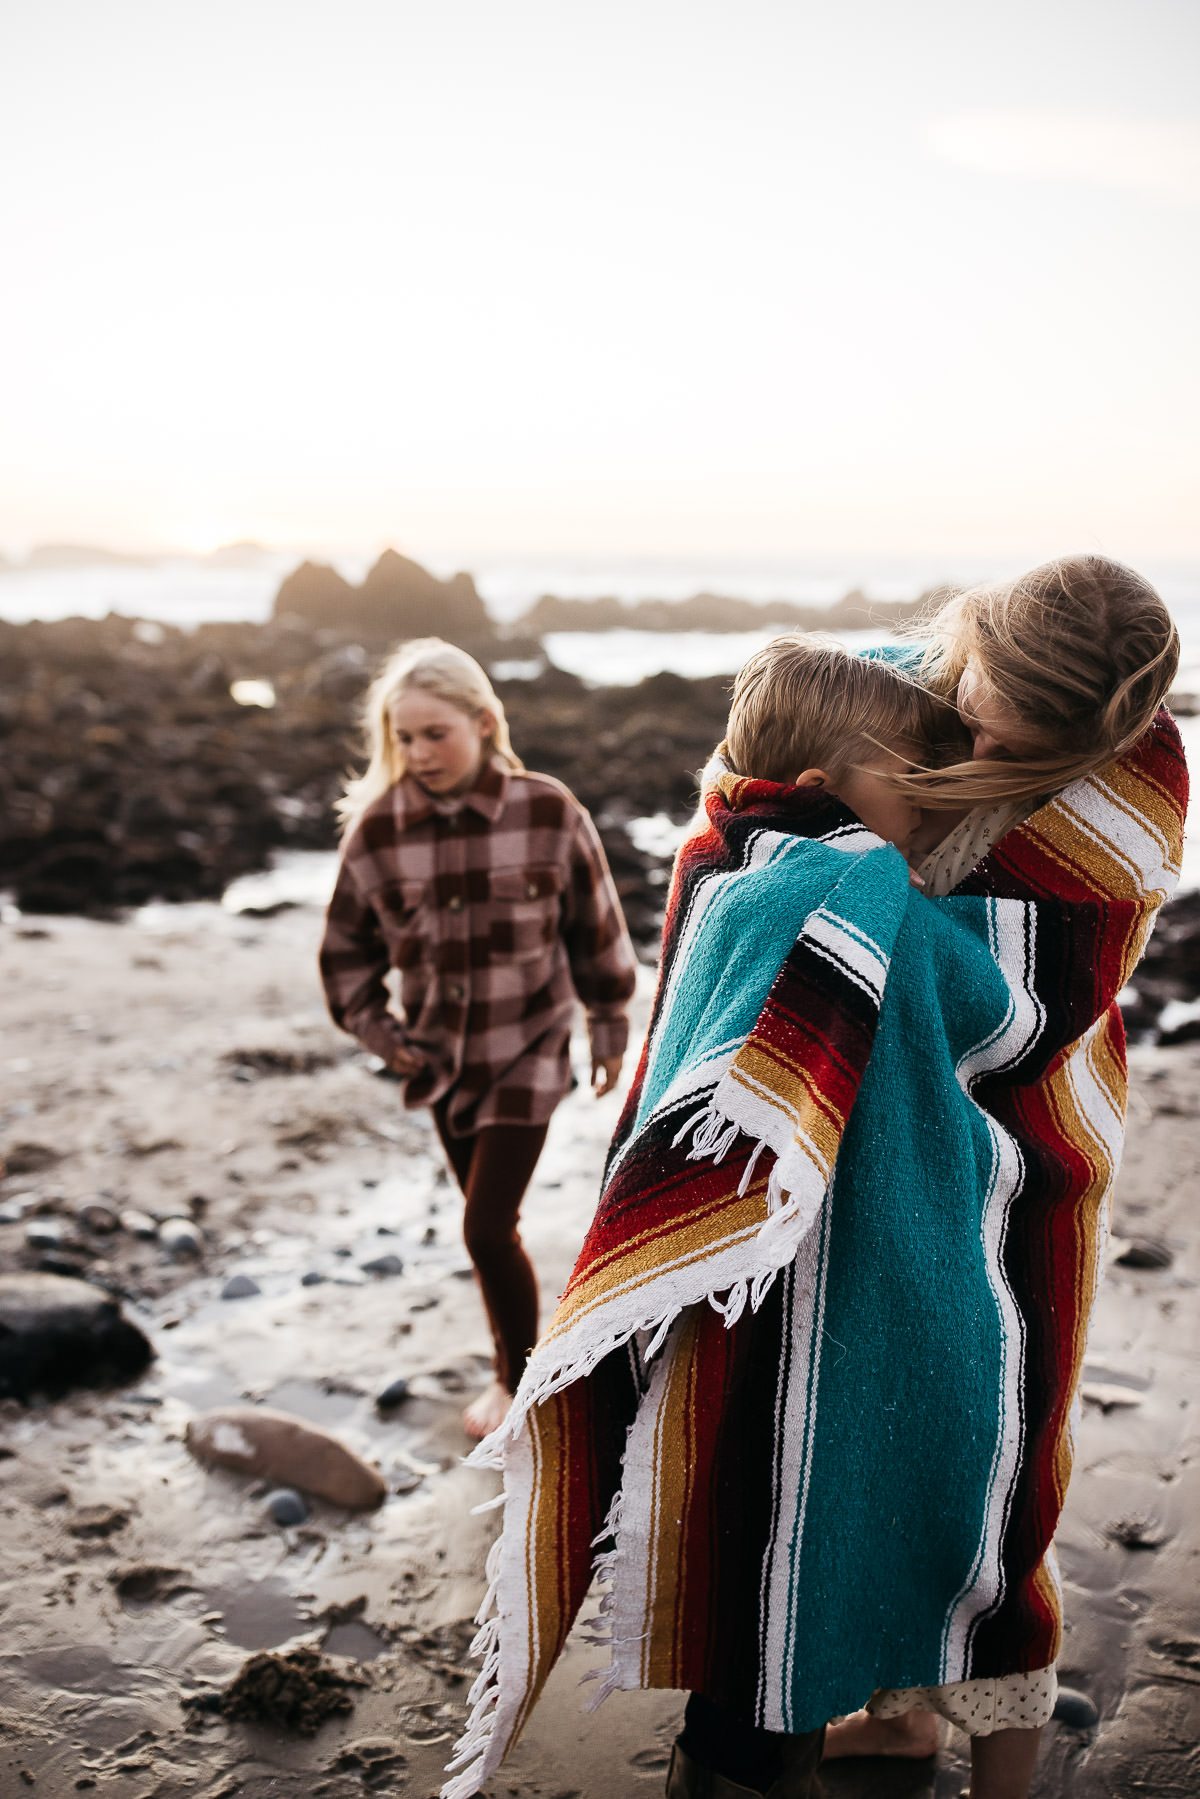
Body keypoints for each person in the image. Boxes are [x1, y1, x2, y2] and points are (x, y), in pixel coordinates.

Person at [442, 554, 1186, 1799]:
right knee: (817, 1423)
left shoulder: (1131, 778)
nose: (993, 743)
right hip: (816, 1136)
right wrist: (811, 875)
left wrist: (859, 897)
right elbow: (738, 825)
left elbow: (1044, 979)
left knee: (987, 1442)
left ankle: (925, 1706)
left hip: (1012, 1140)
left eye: (1034, 742)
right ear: (971, 644)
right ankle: (890, 1718)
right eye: (992, 711)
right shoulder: (880, 694)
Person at [319, 637, 638, 1440]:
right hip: (437, 1064)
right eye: (404, 737)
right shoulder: (379, 833)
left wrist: (607, 1020)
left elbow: (594, 926)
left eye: (436, 733)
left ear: (485, 722)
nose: (419, 753)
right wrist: (379, 1031)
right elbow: (345, 953)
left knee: (485, 1226)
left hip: (527, 1052)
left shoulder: (547, 810)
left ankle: (518, 1382)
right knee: (493, 1227)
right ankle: (523, 1353)